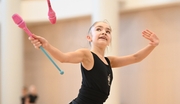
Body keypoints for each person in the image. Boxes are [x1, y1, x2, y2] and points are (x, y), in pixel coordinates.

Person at [29, 20, 159, 104]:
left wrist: (152, 45)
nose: (104, 32)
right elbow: (63, 57)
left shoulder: (109, 61)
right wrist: (46, 45)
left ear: (110, 39)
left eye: (108, 31)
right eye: (99, 29)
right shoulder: (87, 55)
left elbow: (136, 58)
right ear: (89, 37)